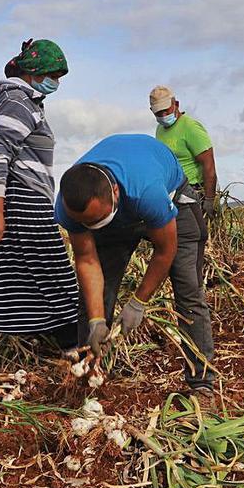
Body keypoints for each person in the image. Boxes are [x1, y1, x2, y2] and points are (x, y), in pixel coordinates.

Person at [54, 134, 214, 396]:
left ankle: (202, 383)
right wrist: (96, 319)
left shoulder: (147, 191)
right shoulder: (68, 206)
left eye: (99, 221)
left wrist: (138, 303)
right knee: (94, 299)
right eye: (88, 225)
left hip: (172, 203)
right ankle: (91, 377)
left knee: (189, 293)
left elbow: (166, 250)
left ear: (115, 192)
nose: (93, 228)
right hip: (119, 216)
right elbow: (86, 259)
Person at [0, 39, 79, 366]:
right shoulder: (17, 102)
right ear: (34, 71)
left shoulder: (27, 102)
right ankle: (77, 359)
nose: (57, 82)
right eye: (54, 74)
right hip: (23, 202)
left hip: (23, 199)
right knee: (57, 279)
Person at [150, 85, 217, 280]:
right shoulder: (160, 130)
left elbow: (209, 164)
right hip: (172, 194)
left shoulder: (190, 127)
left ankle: (196, 285)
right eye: (158, 113)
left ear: (176, 104)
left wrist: (210, 199)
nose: (163, 115)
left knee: (192, 243)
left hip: (193, 192)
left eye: (166, 110)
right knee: (177, 244)